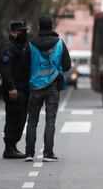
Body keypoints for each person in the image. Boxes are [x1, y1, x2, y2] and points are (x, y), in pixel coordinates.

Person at [25, 17, 71, 162]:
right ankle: (48, 153)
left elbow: (24, 65)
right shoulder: (59, 43)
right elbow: (67, 65)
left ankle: (29, 154)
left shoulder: (30, 44)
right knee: (50, 121)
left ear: (39, 26)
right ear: (52, 26)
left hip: (35, 87)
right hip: (53, 86)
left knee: (32, 121)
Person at [0, 20, 30, 159]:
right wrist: (11, 87)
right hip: (14, 89)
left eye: (25, 31)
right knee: (13, 118)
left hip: (22, 88)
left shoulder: (21, 46)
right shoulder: (8, 47)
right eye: (21, 32)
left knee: (21, 117)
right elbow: (5, 70)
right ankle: (9, 148)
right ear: (12, 32)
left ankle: (13, 146)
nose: (24, 34)